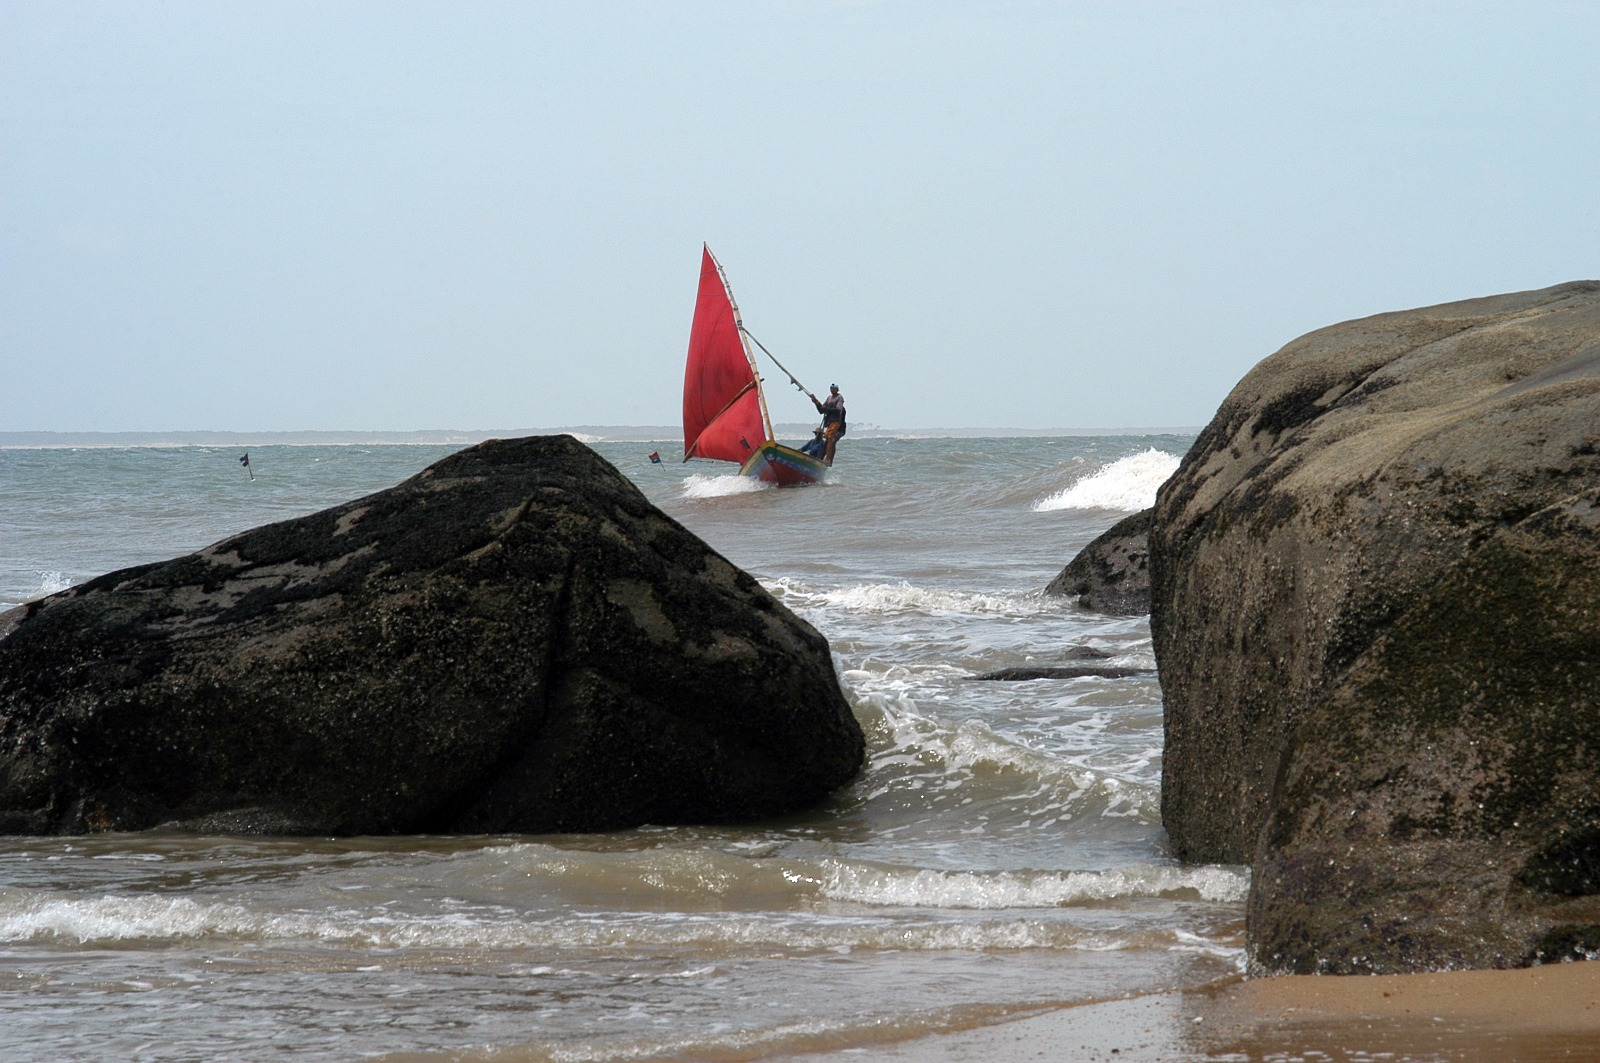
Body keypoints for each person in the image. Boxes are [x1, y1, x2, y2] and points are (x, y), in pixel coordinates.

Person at [808, 383, 846, 466]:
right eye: (831, 388)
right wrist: (816, 402)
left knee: (831, 439)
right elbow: (822, 410)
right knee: (827, 442)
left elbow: (838, 410)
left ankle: (828, 460)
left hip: (838, 425)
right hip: (830, 423)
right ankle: (820, 460)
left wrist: (826, 408)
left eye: (834, 388)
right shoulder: (829, 398)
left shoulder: (840, 398)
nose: (832, 390)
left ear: (837, 389)